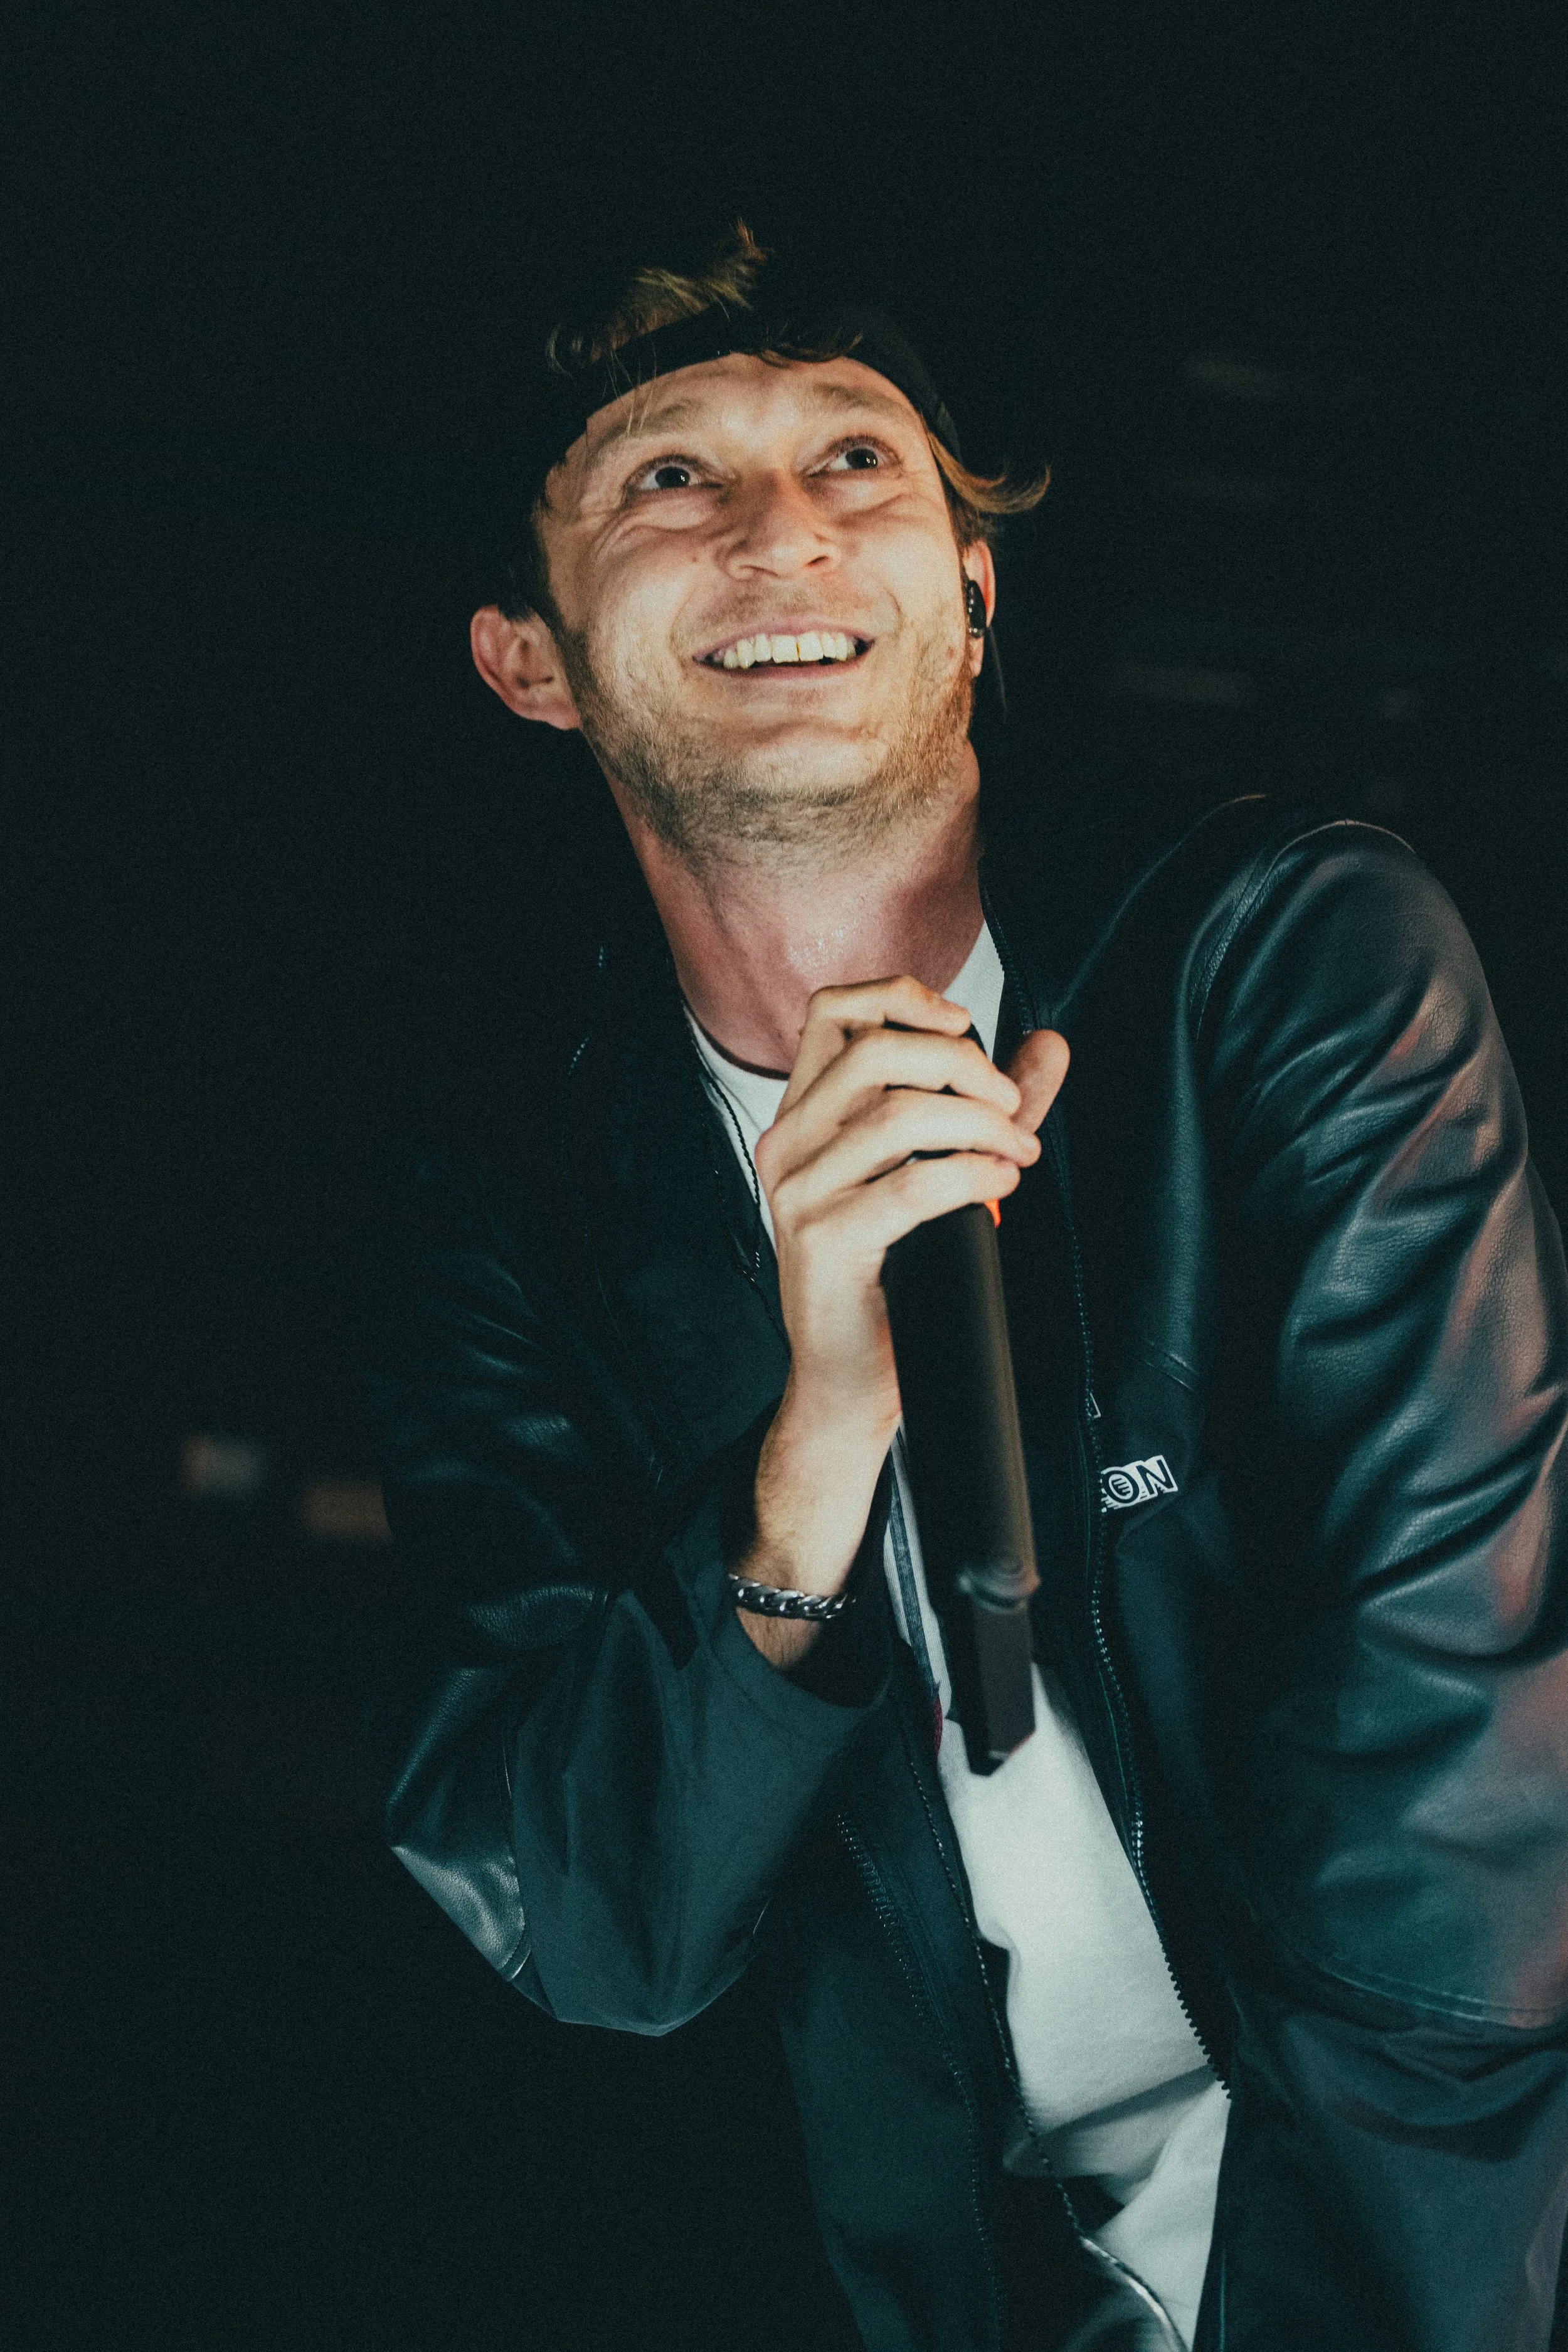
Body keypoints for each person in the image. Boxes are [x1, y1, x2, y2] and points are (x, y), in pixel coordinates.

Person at [362, 225, 1568, 2350]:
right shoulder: (521, 1221)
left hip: (1410, 2240)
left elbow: (1456, 1805)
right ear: (527, 657)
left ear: (972, 589)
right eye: (666, 479)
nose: (781, 530)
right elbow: (592, 1914)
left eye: (858, 463)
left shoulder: (1284, 972)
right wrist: (814, 1451)